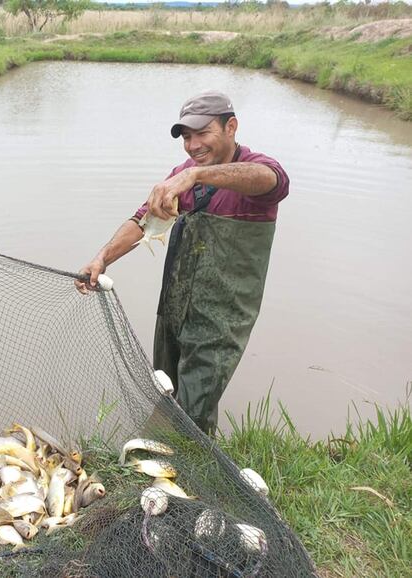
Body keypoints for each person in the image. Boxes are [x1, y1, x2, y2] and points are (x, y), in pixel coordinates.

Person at [76, 91, 289, 435]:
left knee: (193, 410)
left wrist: (196, 176)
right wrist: (102, 258)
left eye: (202, 133)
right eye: (186, 137)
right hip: (174, 310)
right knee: (167, 393)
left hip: (220, 319)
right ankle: (177, 460)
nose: (192, 146)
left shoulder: (253, 171)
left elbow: (271, 179)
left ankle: (189, 473)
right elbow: (143, 220)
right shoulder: (183, 174)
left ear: (231, 127)